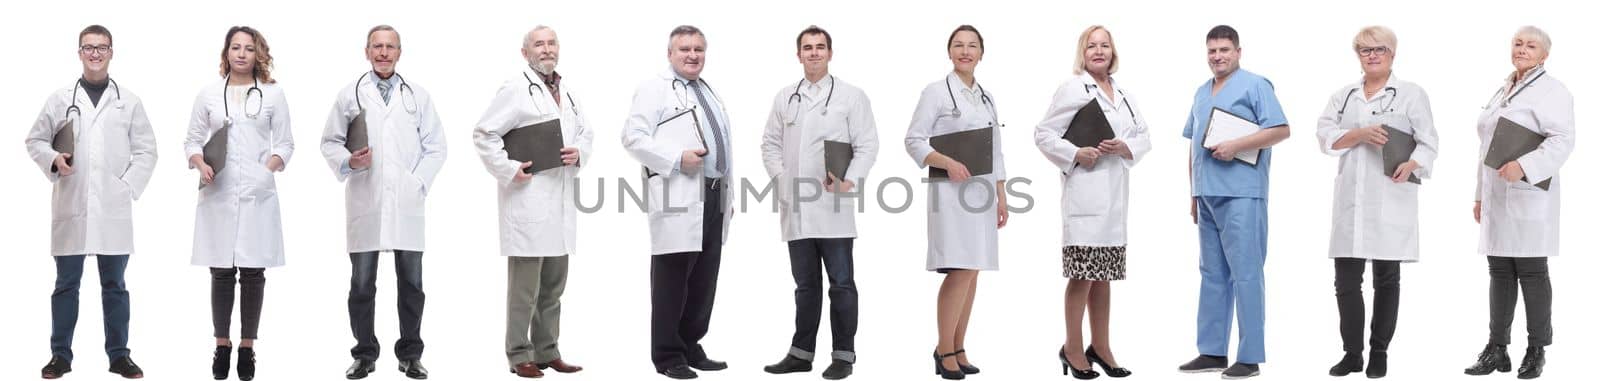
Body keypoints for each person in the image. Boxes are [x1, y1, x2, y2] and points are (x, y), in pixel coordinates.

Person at [25, 24, 156, 380]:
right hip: (72, 204)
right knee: (66, 285)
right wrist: (54, 160)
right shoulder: (59, 98)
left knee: (115, 285)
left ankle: (119, 356)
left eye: (102, 47)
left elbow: (147, 150)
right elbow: (35, 140)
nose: (95, 53)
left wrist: (125, 186)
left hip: (113, 208)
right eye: (88, 47)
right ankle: (60, 356)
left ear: (112, 52)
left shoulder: (128, 101)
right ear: (79, 52)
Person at [317, 24, 447, 380]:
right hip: (366, 199)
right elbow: (329, 141)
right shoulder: (350, 95)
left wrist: (416, 181)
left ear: (399, 52)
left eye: (390, 47)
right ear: (367, 51)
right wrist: (349, 162)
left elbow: (437, 146)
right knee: (361, 285)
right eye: (377, 46)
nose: (384, 53)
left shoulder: (417, 96)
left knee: (412, 285)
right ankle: (364, 354)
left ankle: (410, 354)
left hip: (406, 204)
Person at [1313, 26, 1438, 379]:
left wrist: (1413, 163)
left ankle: (1378, 351)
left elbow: (1429, 142)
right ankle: (1352, 353)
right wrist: (1358, 134)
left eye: (1379, 49)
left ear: (1392, 53)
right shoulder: (1344, 95)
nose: (1372, 55)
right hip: (1352, 197)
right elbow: (1324, 136)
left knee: (1387, 278)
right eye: (1364, 50)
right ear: (1358, 55)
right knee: (1346, 281)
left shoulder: (1412, 94)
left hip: (1390, 194)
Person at [758, 25, 879, 381]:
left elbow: (868, 145)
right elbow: (769, 145)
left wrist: (849, 180)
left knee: (841, 283)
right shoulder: (785, 97)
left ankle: (843, 355)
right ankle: (801, 353)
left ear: (830, 53)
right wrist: (782, 181)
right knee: (805, 286)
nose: (814, 53)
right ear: (798, 55)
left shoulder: (851, 96)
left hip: (833, 205)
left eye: (820, 47)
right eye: (807, 48)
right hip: (795, 207)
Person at [472, 25, 591, 379]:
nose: (546, 48)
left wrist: (579, 152)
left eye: (552, 42)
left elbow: (586, 132)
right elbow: (484, 133)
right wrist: (509, 169)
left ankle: (547, 350)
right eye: (538, 44)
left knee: (554, 287)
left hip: (560, 203)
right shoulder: (514, 90)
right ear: (525, 53)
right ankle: (518, 353)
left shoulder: (567, 92)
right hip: (528, 201)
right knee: (524, 289)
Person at [1033, 24, 1149, 380]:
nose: (1099, 51)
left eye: (1105, 46)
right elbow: (1043, 133)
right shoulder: (1073, 88)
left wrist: (1124, 146)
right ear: (1082, 54)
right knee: (1083, 276)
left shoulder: (1124, 94)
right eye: (1091, 47)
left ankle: (1101, 346)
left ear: (1113, 52)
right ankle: (1072, 347)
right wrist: (1075, 152)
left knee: (1104, 278)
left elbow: (1144, 135)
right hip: (1085, 197)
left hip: (1114, 201)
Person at [1174, 25, 1290, 380]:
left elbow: (1281, 130)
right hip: (1207, 194)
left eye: (1225, 50)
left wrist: (1235, 146)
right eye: (1212, 51)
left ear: (1238, 51)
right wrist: (1194, 193)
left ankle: (1250, 356)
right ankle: (1211, 351)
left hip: (1242, 192)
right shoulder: (1200, 92)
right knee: (1211, 274)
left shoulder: (1256, 85)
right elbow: (1193, 145)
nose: (1218, 56)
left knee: (1246, 274)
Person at [620, 25, 735, 380]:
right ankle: (668, 354)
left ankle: (690, 344)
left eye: (699, 49)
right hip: (680, 193)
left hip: (714, 193)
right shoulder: (654, 89)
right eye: (684, 49)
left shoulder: (707, 90)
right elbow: (632, 137)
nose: (692, 55)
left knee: (704, 277)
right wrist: (676, 158)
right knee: (672, 278)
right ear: (670, 54)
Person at [1462, 26, 1572, 381]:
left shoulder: (1553, 91)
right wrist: (1480, 195)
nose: (1522, 49)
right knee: (1499, 272)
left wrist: (1524, 166)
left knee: (1532, 272)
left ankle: (1536, 349)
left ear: (1544, 55)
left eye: (1531, 45)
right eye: (1518, 43)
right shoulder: (1503, 89)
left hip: (1527, 194)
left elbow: (1562, 140)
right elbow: (1485, 150)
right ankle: (1497, 349)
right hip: (1497, 194)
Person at [185, 25, 294, 381]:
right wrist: (200, 164)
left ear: (257, 53)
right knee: (220, 271)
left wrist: (267, 170)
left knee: (252, 274)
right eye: (236, 47)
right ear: (226, 53)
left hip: (256, 194)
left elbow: (286, 144)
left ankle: (247, 348)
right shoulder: (208, 95)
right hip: (218, 192)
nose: (242, 54)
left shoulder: (273, 95)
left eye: (249, 48)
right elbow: (191, 141)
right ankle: (222, 345)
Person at [904, 24, 1008, 381]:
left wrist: (1002, 195)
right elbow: (914, 140)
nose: (965, 51)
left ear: (981, 53)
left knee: (974, 269)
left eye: (972, 46)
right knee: (959, 268)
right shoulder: (935, 92)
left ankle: (959, 346)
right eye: (959, 45)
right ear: (950, 52)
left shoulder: (987, 97)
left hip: (982, 193)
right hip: (949, 194)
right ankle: (942, 349)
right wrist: (946, 162)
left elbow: (996, 151)